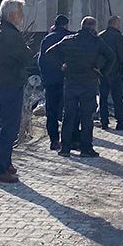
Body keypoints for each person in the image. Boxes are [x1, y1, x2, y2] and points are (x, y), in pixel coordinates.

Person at [0, 0, 33, 184]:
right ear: (13, 15)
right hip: (10, 85)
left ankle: (5, 163)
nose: (22, 16)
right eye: (20, 12)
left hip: (0, 84)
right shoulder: (10, 34)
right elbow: (25, 56)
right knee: (9, 128)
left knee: (5, 126)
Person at [53, 17, 109, 157]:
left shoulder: (69, 39)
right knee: (86, 117)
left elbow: (50, 52)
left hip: (71, 82)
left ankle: (65, 148)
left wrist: (62, 65)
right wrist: (101, 71)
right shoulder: (96, 41)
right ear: (93, 27)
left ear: (82, 25)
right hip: (89, 82)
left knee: (68, 116)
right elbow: (111, 57)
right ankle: (86, 149)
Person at [38, 15, 72, 151]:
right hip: (66, 80)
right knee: (68, 110)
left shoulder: (47, 39)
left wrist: (45, 77)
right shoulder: (69, 38)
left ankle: (54, 140)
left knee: (51, 111)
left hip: (51, 80)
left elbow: (41, 60)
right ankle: (69, 140)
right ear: (66, 25)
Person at [97, 16, 123, 131]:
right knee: (117, 97)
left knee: (103, 97)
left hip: (102, 71)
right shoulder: (117, 36)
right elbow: (122, 54)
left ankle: (104, 121)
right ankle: (120, 121)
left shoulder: (100, 35)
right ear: (115, 23)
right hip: (115, 71)